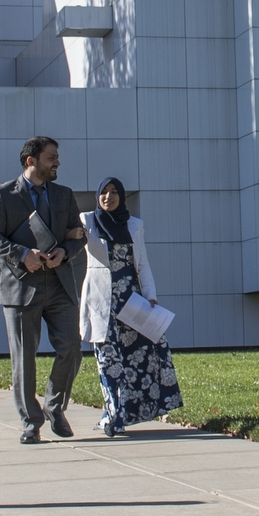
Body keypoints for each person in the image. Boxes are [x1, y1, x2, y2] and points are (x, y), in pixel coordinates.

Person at [0, 135, 88, 443]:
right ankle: (31, 422)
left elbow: (77, 236)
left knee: (71, 347)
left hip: (59, 285)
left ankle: (55, 406)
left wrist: (65, 252)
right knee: (24, 358)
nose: (57, 162)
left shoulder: (64, 195)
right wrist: (22, 254)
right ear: (32, 161)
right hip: (19, 288)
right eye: (51, 157)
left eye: (56, 157)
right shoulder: (2, 194)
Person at [80, 178, 183, 437]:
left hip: (132, 301)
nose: (108, 197)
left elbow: (143, 264)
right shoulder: (86, 221)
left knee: (142, 355)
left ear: (122, 196)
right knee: (108, 359)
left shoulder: (134, 225)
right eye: (103, 192)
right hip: (102, 300)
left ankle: (130, 411)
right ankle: (114, 416)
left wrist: (151, 296)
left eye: (114, 192)